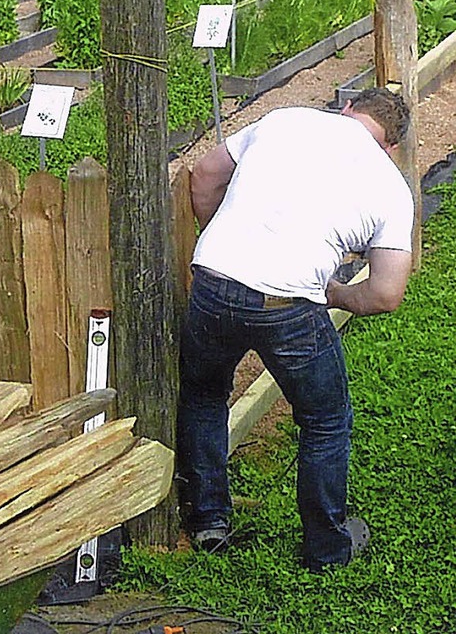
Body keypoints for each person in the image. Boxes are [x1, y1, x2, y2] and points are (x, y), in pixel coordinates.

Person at [176, 88, 414, 571]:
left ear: (347, 108)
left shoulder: (284, 120)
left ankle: (207, 521)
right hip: (288, 304)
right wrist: (338, 294)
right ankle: (326, 547)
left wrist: (219, 239)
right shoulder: (391, 185)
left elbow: (203, 174)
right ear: (391, 145)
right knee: (325, 421)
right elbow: (387, 293)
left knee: (203, 395)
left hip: (215, 283)